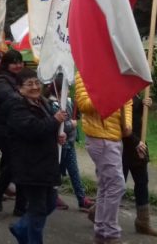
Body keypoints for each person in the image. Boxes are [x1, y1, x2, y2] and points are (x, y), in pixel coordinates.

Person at [7, 68, 66, 244]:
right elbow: (33, 129)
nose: (34, 87)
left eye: (36, 83)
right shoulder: (16, 106)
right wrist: (54, 121)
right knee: (38, 210)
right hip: (30, 166)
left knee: (50, 202)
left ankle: (20, 228)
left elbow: (45, 128)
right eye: (29, 84)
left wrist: (57, 134)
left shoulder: (42, 102)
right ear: (19, 88)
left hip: (45, 164)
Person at [75, 71, 131, 244]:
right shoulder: (84, 73)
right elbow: (84, 105)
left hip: (115, 137)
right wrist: (109, 92)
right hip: (99, 138)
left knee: (107, 185)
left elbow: (127, 99)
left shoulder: (118, 71)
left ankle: (101, 232)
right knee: (116, 185)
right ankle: (110, 233)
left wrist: (127, 123)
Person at [49, 75, 93, 213]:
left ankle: (82, 199)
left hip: (70, 143)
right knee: (55, 171)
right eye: (65, 88)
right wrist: (71, 125)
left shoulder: (69, 101)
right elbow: (58, 125)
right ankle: (52, 196)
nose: (68, 90)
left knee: (74, 171)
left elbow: (76, 115)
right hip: (58, 145)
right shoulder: (52, 105)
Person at [0, 50, 26, 214]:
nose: (18, 65)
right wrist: (23, 96)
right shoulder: (0, 80)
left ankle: (20, 206)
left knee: (19, 164)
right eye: (14, 62)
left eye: (20, 61)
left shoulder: (19, 79)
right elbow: (7, 96)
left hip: (19, 127)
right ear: (6, 64)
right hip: (5, 128)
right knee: (15, 163)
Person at [122, 95, 157, 236]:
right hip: (124, 147)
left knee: (142, 183)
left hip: (139, 146)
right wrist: (136, 142)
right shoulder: (121, 94)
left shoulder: (136, 95)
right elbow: (123, 126)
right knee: (118, 185)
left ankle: (143, 222)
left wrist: (145, 105)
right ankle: (99, 213)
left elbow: (137, 118)